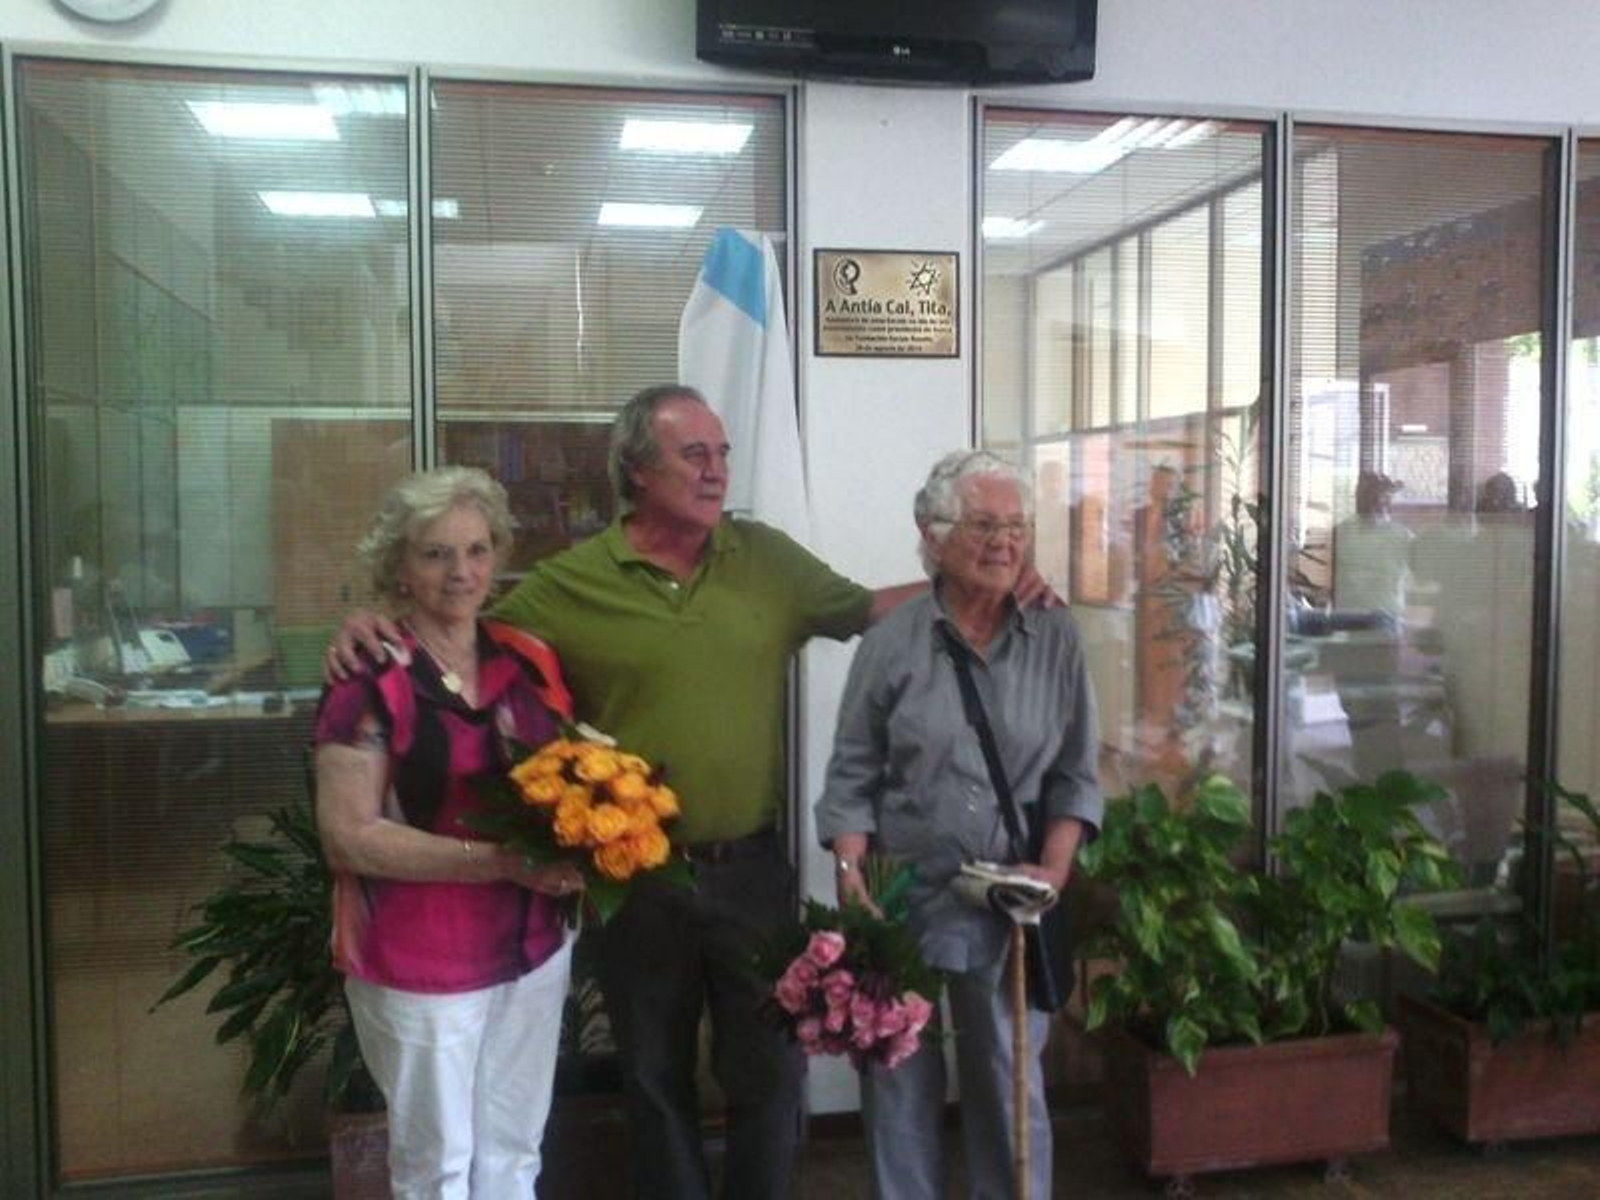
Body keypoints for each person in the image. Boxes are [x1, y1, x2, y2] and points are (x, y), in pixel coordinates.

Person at [815, 450, 1103, 1200]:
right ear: (933, 534)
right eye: (983, 525)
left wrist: (1056, 869)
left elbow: (1076, 773)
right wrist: (852, 882)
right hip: (900, 893)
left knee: (1009, 1084)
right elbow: (851, 776)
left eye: (1016, 526)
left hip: (1011, 902)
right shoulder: (892, 643)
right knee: (899, 1081)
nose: (1005, 542)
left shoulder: (1056, 638)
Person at [314, 466, 586, 1200]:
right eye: (435, 553)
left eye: (475, 549)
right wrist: (500, 862)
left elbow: (576, 769)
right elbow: (348, 837)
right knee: (437, 1170)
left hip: (532, 946)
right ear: (398, 567)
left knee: (513, 1153)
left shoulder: (525, 660)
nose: (460, 571)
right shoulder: (368, 677)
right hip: (420, 961)